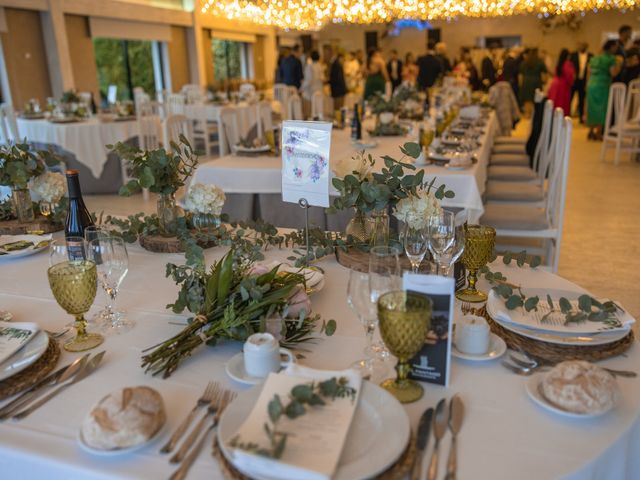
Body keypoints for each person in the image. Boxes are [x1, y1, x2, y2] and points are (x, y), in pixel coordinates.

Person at [586, 40, 624, 140]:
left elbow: (588, 72)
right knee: (602, 109)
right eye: (615, 47)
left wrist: (587, 85)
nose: (616, 49)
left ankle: (590, 131)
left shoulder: (594, 58)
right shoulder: (611, 59)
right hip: (602, 85)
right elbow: (613, 73)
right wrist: (619, 64)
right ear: (611, 47)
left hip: (592, 84)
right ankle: (599, 132)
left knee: (592, 108)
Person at [519, 48, 548, 118]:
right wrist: (544, 81)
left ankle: (527, 114)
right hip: (536, 82)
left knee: (527, 99)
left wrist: (521, 85)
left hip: (526, 82)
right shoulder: (540, 62)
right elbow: (545, 74)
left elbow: (520, 76)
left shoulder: (524, 62)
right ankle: (534, 115)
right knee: (536, 99)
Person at [547, 49, 575, 116]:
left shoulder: (559, 63)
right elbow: (569, 76)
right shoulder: (567, 64)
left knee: (555, 103)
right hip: (563, 86)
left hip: (555, 85)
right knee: (562, 104)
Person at [570, 42, 592, 122]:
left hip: (583, 80)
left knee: (582, 99)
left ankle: (581, 117)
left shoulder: (590, 56)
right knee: (570, 97)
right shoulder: (573, 55)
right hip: (574, 80)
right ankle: (568, 115)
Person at [300, 50, 324, 118]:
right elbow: (322, 78)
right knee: (317, 112)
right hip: (318, 92)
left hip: (309, 93)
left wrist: (301, 88)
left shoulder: (309, 66)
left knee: (308, 114)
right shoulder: (320, 66)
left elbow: (308, 80)